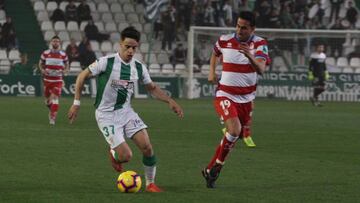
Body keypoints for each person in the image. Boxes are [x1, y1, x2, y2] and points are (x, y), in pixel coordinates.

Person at [67, 27, 184, 192]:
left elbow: (152, 88)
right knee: (126, 156)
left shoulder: (139, 67)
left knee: (147, 147)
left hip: (126, 112)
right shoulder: (105, 62)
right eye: (127, 46)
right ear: (120, 44)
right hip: (106, 115)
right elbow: (81, 76)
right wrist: (76, 103)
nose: (130, 50)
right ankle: (114, 153)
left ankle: (150, 183)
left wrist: (169, 101)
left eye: (134, 48)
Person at [202, 11, 270, 188]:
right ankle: (218, 167)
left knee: (233, 135)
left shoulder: (260, 44)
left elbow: (261, 69)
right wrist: (211, 71)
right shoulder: (224, 40)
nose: (240, 30)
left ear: (253, 29)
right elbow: (214, 54)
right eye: (238, 26)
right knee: (234, 129)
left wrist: (249, 55)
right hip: (225, 94)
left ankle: (211, 169)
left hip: (246, 99)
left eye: (244, 27)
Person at [39, 36, 69, 125]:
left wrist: (65, 71)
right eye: (54, 41)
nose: (55, 43)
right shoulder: (45, 53)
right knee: (48, 101)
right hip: (47, 80)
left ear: (59, 43)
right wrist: (42, 70)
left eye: (57, 41)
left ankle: (52, 117)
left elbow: (67, 65)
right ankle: (51, 108)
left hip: (58, 80)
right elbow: (40, 64)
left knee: (55, 97)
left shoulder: (63, 55)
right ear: (51, 42)